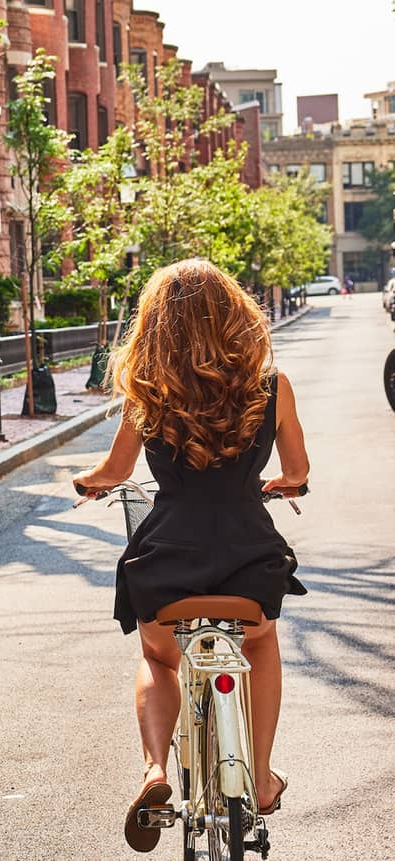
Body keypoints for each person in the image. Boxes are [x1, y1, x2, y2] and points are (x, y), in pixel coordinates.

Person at [73, 258, 309, 853]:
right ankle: (258, 778)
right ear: (237, 314)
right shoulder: (270, 385)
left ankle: (155, 772)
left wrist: (87, 481)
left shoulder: (149, 391)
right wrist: (284, 485)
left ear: (155, 325)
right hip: (248, 556)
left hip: (168, 558)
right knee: (258, 642)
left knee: (158, 658)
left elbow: (116, 471)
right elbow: (299, 471)